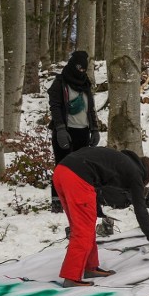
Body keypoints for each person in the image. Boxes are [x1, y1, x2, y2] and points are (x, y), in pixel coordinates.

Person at [52, 146, 149, 287]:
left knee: (83, 226)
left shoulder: (124, 162)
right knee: (83, 231)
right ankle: (71, 277)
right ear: (147, 175)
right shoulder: (135, 173)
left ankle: (89, 267)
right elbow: (140, 209)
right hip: (78, 177)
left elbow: (103, 187)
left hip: (62, 171)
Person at [47, 50, 100, 213]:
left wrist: (95, 129)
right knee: (62, 167)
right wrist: (61, 129)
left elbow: (90, 108)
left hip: (82, 132)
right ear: (72, 65)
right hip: (65, 132)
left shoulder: (85, 84)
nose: (81, 71)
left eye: (84, 69)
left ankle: (77, 198)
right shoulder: (60, 83)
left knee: (81, 168)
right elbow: (55, 106)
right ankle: (57, 201)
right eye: (79, 68)